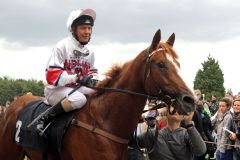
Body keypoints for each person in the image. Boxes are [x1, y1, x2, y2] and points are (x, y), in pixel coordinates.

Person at [36, 8, 98, 131]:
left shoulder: (90, 53)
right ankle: (45, 117)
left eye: (89, 28)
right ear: (73, 29)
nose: (87, 32)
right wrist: (77, 77)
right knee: (79, 99)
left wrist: (94, 80)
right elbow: (51, 75)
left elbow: (93, 72)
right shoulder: (62, 46)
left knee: (99, 94)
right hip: (55, 90)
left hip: (76, 88)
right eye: (83, 28)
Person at [137, 109, 206, 160]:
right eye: (173, 106)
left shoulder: (187, 134)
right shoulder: (152, 134)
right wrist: (135, 119)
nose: (176, 110)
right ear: (166, 112)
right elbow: (129, 141)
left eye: (179, 108)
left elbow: (201, 151)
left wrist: (189, 123)